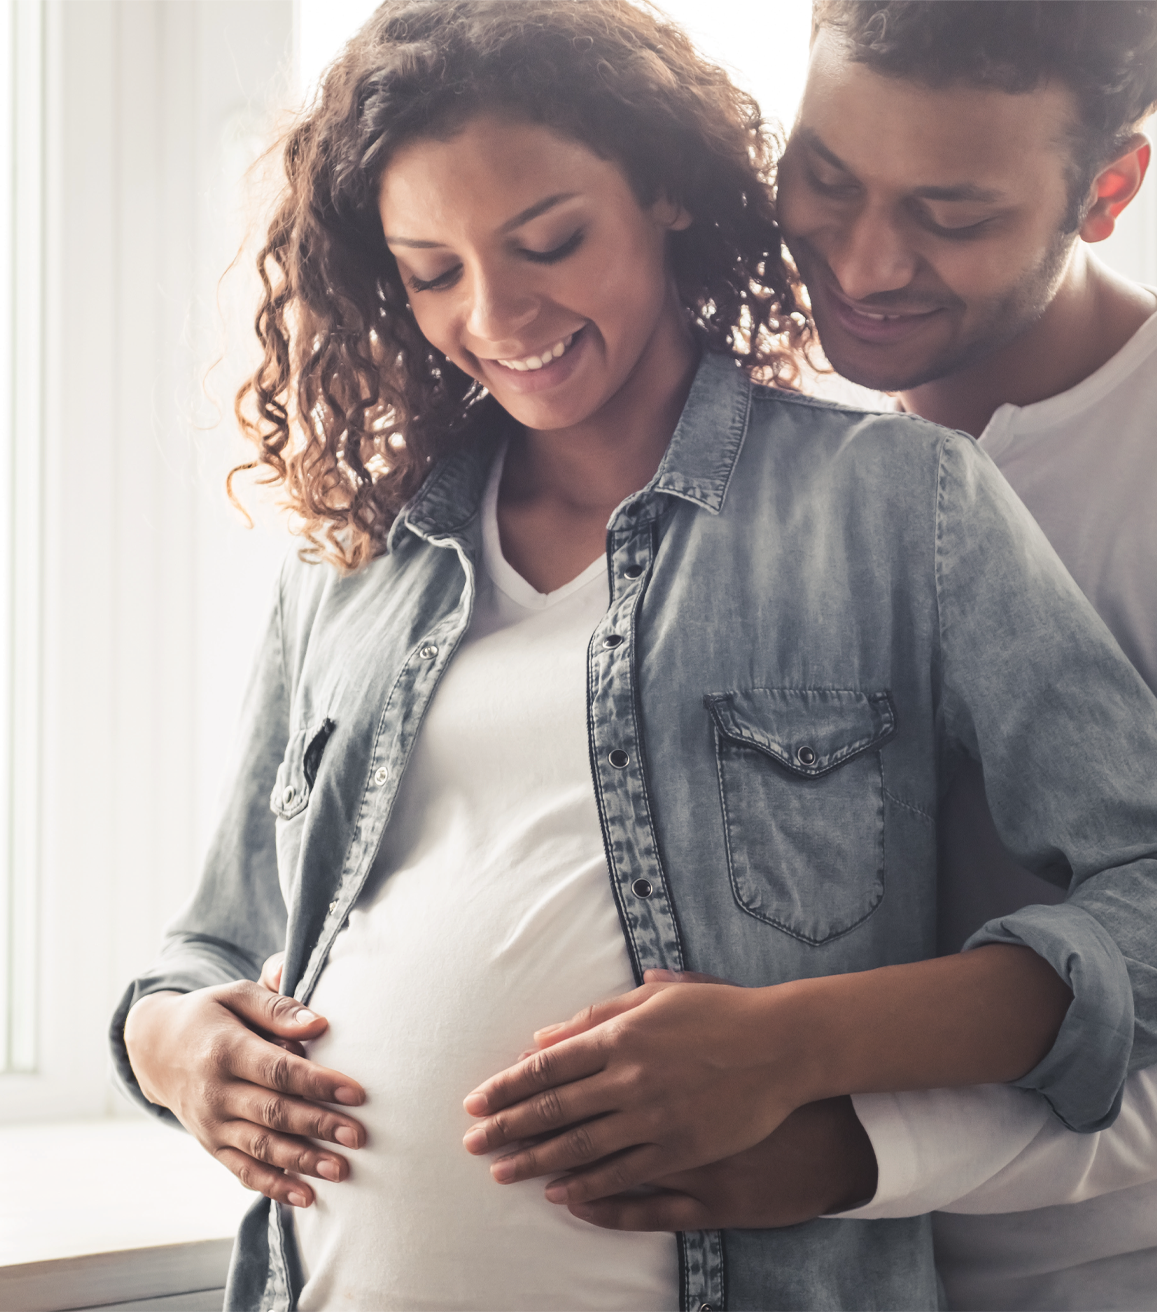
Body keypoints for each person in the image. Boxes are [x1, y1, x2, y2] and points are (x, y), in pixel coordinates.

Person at [109, 2, 1157, 1309]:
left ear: (665, 192)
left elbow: (1143, 889)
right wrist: (171, 1045)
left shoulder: (895, 499)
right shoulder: (354, 559)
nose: (497, 313)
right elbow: (209, 946)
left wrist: (801, 1064)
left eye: (550, 241)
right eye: (431, 270)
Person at [523, 4, 1157, 1310]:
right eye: (827, 177)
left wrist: (857, 1149)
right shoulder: (781, 444)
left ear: (1109, 189)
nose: (864, 265)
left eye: (954, 216)